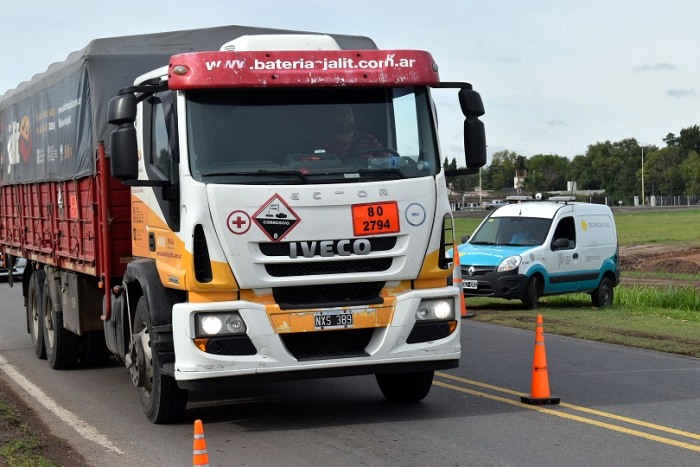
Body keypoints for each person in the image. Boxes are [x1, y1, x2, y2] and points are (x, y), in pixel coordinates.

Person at [315, 104, 386, 159]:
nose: (346, 116)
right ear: (332, 119)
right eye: (341, 114)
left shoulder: (369, 139)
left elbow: (385, 162)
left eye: (349, 113)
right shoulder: (324, 145)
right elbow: (320, 166)